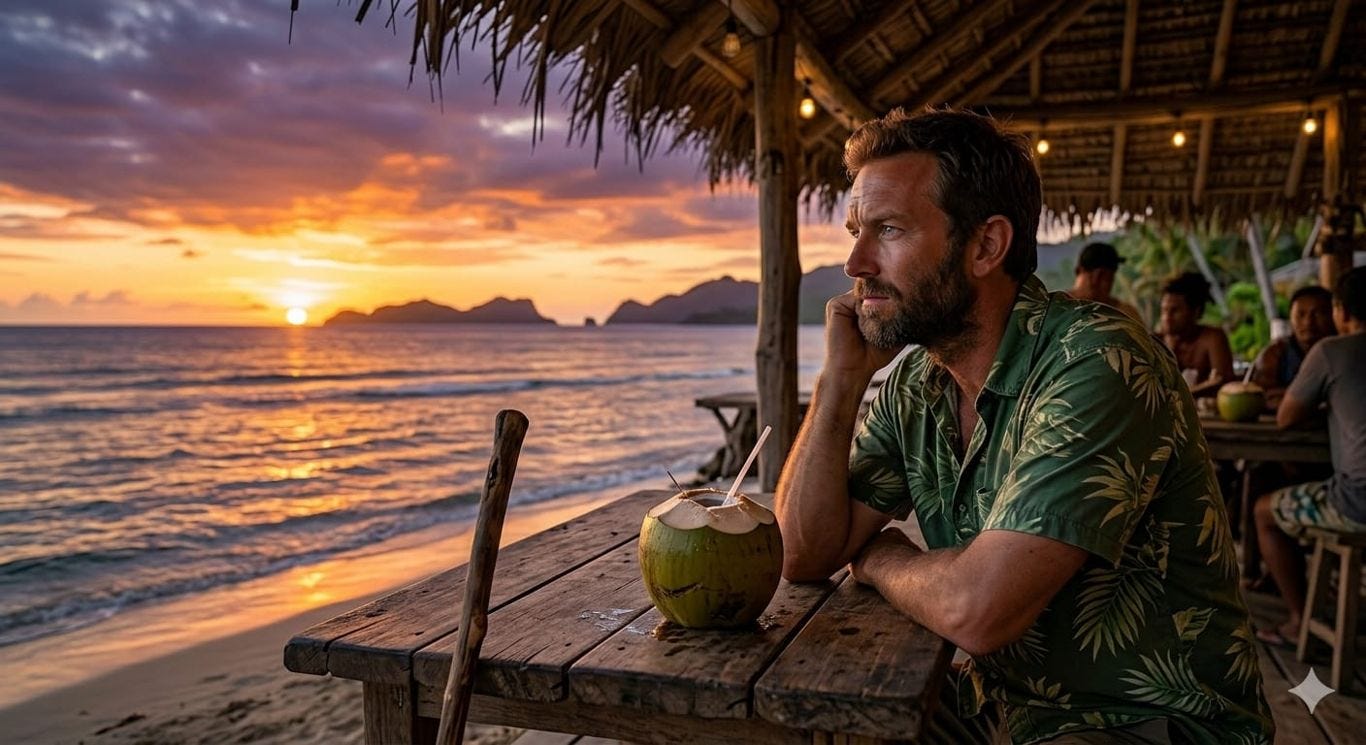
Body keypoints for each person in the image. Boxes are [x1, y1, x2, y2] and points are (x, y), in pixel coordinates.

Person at [776, 108, 1271, 744]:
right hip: (1000, 703)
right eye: (855, 231)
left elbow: (977, 610)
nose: (855, 263)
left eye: (889, 230)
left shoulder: (1097, 360)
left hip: (1138, 724)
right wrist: (838, 383)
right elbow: (802, 552)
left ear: (986, 245)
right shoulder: (916, 385)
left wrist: (878, 556)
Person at [1252, 266, 1366, 646]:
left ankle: (1300, 620)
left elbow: (1285, 418)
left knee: (1263, 511)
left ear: (1340, 311)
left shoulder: (1332, 351)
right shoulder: (1280, 354)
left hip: (1357, 503)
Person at [1251, 285, 1336, 409]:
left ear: (1335, 315)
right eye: (1300, 314)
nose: (1308, 322)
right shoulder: (1275, 353)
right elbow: (1262, 395)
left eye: (1318, 314)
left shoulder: (1344, 352)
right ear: (1290, 317)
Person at [1159, 272, 1234, 397]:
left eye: (1175, 310)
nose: (1167, 317)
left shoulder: (1212, 338)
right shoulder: (1155, 341)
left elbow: (1222, 382)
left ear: (1196, 311)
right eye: (1164, 310)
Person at [1068, 242, 1144, 323]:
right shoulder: (1059, 308)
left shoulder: (1125, 313)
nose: (1107, 285)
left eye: (1108, 278)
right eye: (1108, 278)